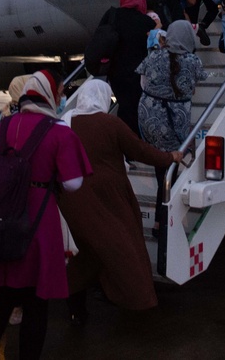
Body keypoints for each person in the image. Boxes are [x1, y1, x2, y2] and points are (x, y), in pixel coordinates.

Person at [0, 71, 92, 360]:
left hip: (1, 222)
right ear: (50, 96)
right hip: (38, 223)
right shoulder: (59, 131)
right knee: (36, 306)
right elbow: (73, 183)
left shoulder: (1, 128)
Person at [58, 79, 183, 323]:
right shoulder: (109, 123)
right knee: (125, 249)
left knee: (88, 250)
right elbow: (140, 150)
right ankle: (138, 301)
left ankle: (73, 302)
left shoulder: (65, 121)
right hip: (108, 197)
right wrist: (170, 157)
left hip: (72, 198)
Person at [135, 20, 208, 229]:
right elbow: (195, 85)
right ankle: (163, 222)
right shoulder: (193, 61)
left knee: (162, 169)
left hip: (149, 119)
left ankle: (162, 220)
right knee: (169, 171)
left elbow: (143, 77)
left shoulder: (154, 56)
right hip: (174, 122)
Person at [96, 0, 157, 136]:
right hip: (138, 73)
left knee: (124, 105)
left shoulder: (112, 16)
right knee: (136, 107)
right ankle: (134, 143)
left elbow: (100, 36)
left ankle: (125, 143)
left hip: (115, 72)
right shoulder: (145, 21)